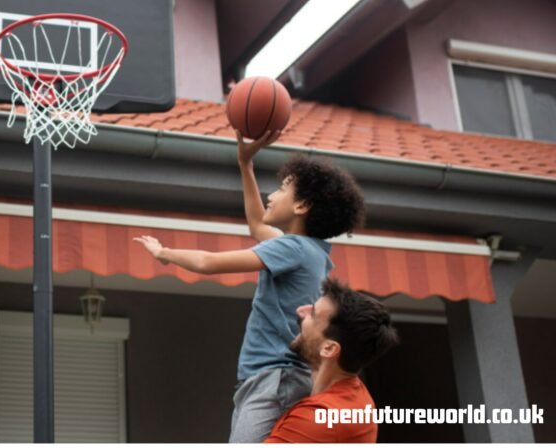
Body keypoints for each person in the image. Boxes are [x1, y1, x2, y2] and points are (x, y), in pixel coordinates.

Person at [134, 130, 365, 443]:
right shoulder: (312, 252)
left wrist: (165, 254)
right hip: (282, 377)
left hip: (275, 379)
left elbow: (207, 263)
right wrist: (246, 164)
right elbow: (257, 225)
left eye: (283, 188)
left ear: (302, 206)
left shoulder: (293, 249)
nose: (271, 195)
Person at [264, 278, 399, 443]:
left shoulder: (321, 418)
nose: (301, 311)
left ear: (329, 348)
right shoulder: (354, 397)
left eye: (313, 314)